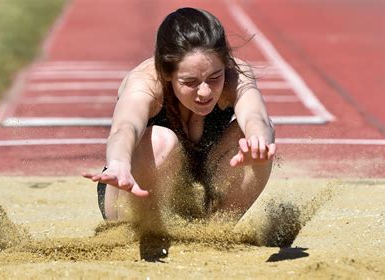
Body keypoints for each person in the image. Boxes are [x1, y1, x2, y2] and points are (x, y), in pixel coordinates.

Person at [83, 7, 275, 231]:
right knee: (159, 140)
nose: (204, 92)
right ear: (166, 73)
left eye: (214, 77)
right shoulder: (145, 82)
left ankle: (215, 231)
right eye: (190, 82)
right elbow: (125, 128)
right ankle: (144, 231)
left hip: (197, 189)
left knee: (260, 135)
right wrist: (118, 163)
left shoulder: (236, 76)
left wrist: (257, 143)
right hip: (132, 193)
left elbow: (255, 116)